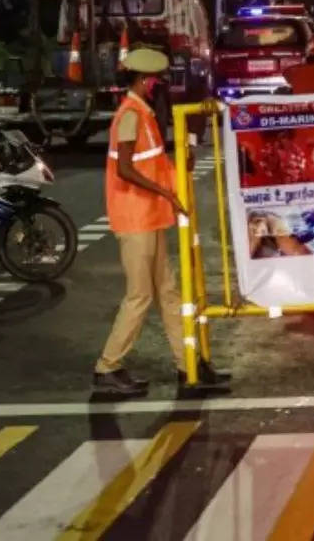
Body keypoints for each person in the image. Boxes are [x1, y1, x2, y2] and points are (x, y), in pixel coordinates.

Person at [94, 48, 224, 394]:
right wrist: (166, 193)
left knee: (168, 292)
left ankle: (188, 366)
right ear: (144, 80)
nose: (158, 86)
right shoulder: (130, 115)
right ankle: (107, 367)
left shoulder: (143, 113)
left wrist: (179, 171)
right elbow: (125, 168)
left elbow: (153, 163)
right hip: (135, 217)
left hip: (149, 215)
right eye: (155, 80)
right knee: (140, 296)